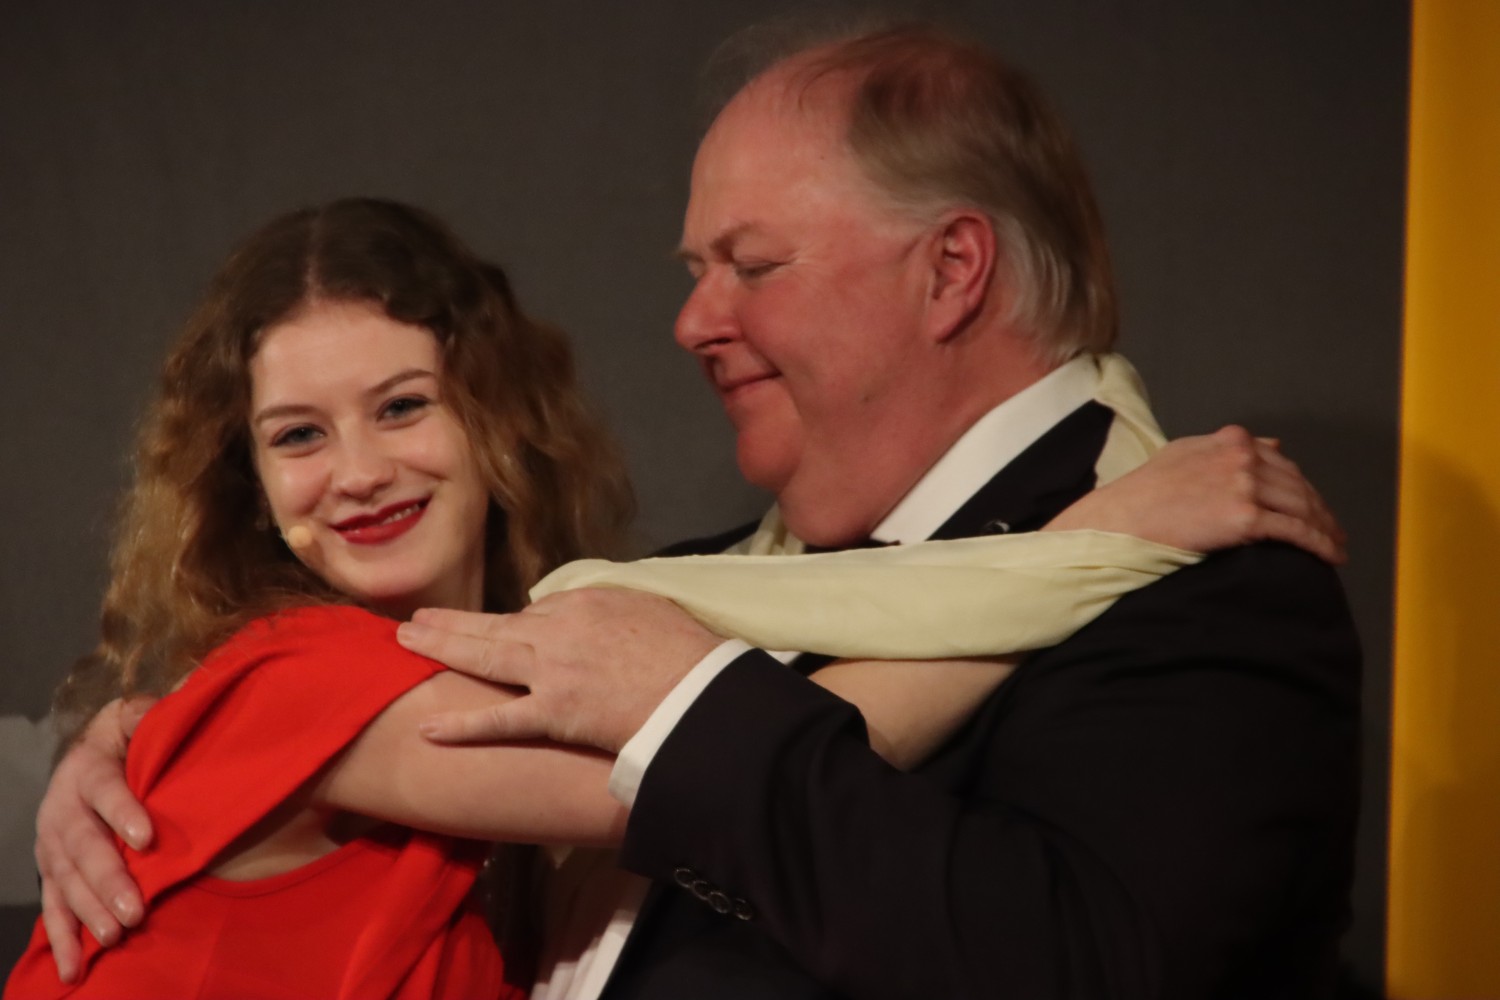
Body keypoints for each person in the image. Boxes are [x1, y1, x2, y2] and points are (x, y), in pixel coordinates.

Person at [17, 195, 1335, 998]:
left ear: (491, 413)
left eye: (403, 407)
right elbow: (716, 768)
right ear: (248, 482)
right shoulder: (305, 674)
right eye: (298, 436)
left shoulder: (535, 641)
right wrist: (1097, 542)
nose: (356, 471)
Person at [390, 25, 1362, 1000]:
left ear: (951, 269)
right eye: (696, 273)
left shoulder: (1203, 589)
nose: (693, 323)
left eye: (753, 265)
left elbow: (1087, 967)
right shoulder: (711, 592)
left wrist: (689, 707)